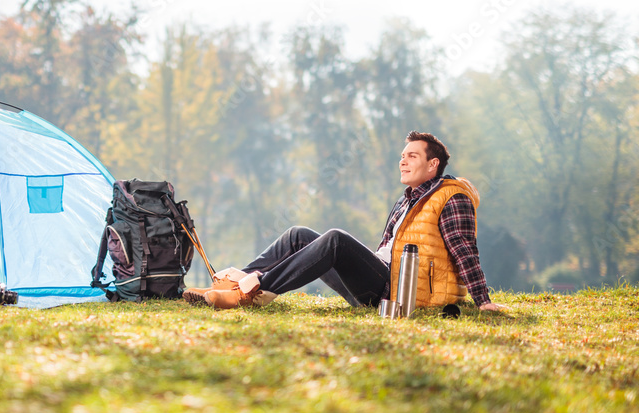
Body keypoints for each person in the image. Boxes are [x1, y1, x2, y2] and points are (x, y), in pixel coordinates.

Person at [184, 130, 504, 312]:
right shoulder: (408, 199)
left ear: (434, 164)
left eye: (413, 156)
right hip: (378, 284)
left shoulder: (452, 197)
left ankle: (248, 292)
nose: (402, 160)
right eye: (402, 155)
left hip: (398, 294)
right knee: (299, 234)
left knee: (335, 239)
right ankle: (236, 282)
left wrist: (483, 300)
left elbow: (464, 249)